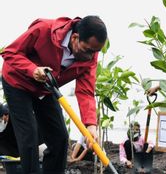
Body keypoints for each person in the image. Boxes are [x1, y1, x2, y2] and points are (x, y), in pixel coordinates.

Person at [1, 15, 107, 173]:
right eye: (88, 51)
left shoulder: (90, 54)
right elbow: (10, 53)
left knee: (60, 138)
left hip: (45, 87)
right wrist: (33, 69)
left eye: (95, 52)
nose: (91, 56)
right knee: (29, 139)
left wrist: (90, 124)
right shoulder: (44, 30)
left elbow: (85, 90)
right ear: (75, 37)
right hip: (17, 83)